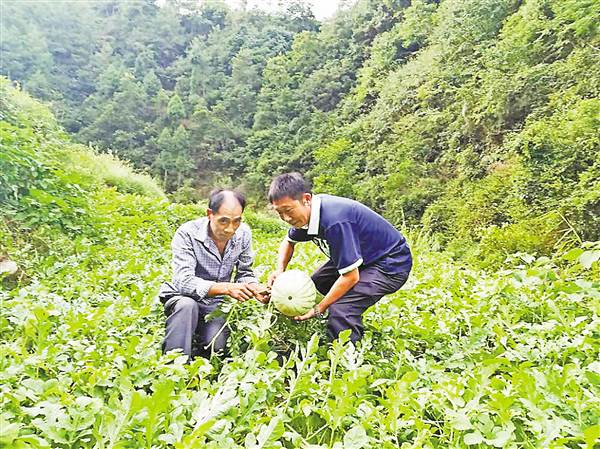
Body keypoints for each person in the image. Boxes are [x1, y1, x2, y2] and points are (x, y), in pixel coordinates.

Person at [267, 173, 412, 343]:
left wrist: (319, 308)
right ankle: (316, 329)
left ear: (306, 199)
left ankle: (345, 358)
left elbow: (351, 277)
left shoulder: (335, 221)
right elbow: (288, 242)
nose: (286, 218)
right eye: (280, 213)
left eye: (288, 211)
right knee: (313, 286)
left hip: (390, 263)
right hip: (365, 256)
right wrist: (280, 272)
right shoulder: (307, 213)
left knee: (342, 308)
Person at [159, 189, 268, 359]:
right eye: (223, 221)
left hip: (216, 303)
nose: (230, 229)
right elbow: (184, 281)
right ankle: (173, 368)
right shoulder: (187, 233)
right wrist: (225, 287)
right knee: (187, 307)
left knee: (215, 349)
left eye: (236, 221)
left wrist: (254, 288)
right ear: (210, 214)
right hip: (183, 297)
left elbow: (245, 272)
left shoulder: (244, 234)